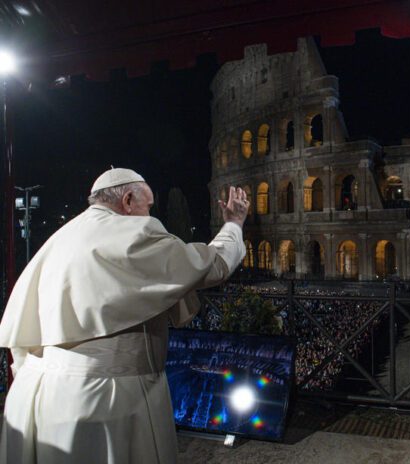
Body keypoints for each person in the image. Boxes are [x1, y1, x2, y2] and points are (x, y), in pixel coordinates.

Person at [0, 168, 249, 464]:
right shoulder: (136, 232)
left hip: (36, 394)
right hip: (107, 399)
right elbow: (211, 266)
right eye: (148, 205)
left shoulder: (58, 239)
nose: (149, 213)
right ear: (128, 200)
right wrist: (233, 225)